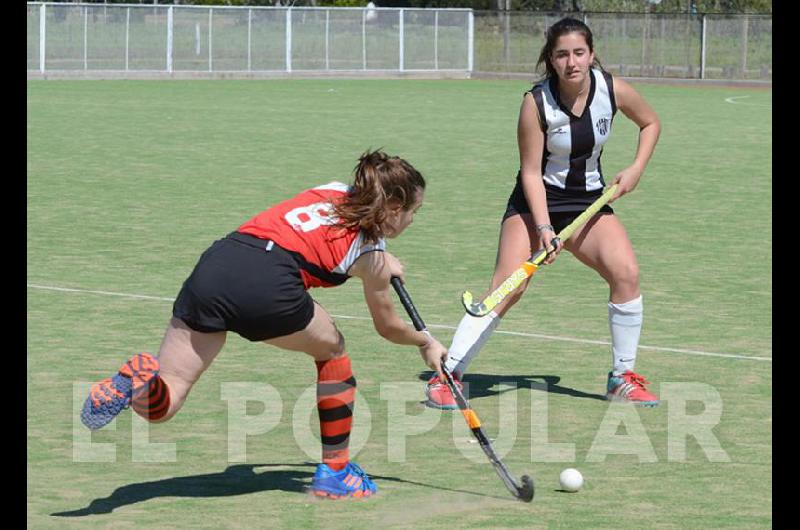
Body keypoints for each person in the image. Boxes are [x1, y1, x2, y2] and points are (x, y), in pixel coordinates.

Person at [81, 150, 448, 499]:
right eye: (415, 211)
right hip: (269, 281)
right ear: (395, 208)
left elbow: (319, 232)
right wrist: (424, 341)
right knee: (333, 350)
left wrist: (380, 254)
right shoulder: (372, 256)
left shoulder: (333, 189)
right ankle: (336, 473)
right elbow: (387, 327)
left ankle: (138, 383)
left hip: (219, 262)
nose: (414, 219)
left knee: (165, 399)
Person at [425, 17, 661, 409]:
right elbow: (531, 173)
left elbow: (651, 123)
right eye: (562, 54)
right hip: (536, 202)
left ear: (592, 54)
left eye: (579, 53)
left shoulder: (611, 89)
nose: (572, 62)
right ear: (551, 60)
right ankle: (446, 374)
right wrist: (544, 227)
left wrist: (636, 168)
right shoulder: (536, 103)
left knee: (626, 274)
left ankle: (621, 377)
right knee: (508, 287)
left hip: (588, 203)